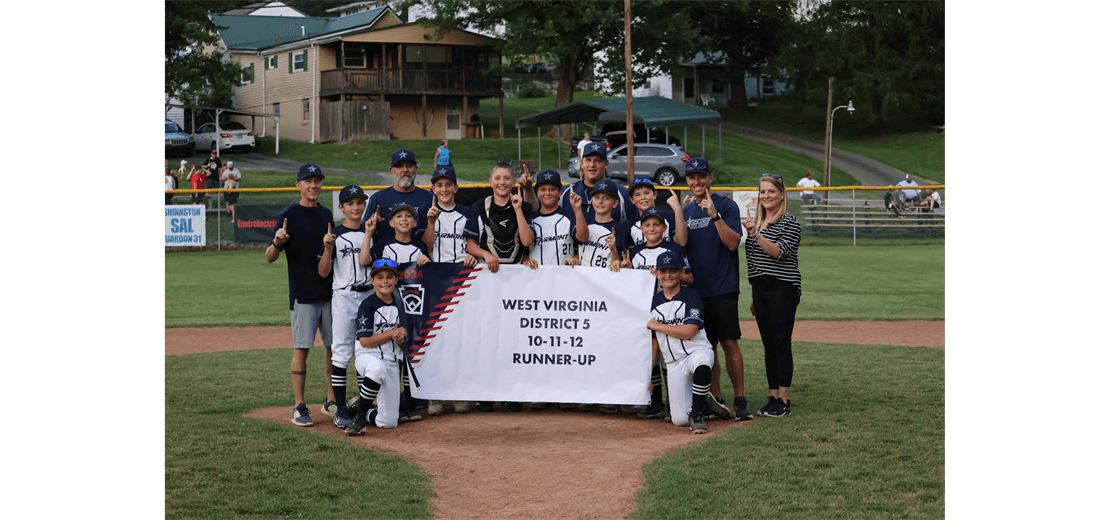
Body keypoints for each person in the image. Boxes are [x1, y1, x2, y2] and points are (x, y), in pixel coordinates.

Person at [681, 158, 752, 421]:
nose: (696, 182)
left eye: (701, 176)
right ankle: (716, 398)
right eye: (691, 177)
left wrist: (714, 215)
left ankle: (741, 399)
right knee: (706, 348)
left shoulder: (726, 205)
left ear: (710, 178)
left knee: (729, 342)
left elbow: (733, 243)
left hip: (722, 287)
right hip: (697, 290)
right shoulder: (687, 212)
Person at [265, 163, 336, 427]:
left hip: (329, 294)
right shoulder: (289, 216)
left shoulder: (326, 213)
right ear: (299, 185)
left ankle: (331, 400)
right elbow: (270, 258)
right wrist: (277, 242)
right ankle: (299, 405)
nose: (313, 185)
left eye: (317, 181)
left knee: (333, 349)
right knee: (302, 349)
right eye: (308, 181)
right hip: (302, 295)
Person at [465, 162, 535, 412]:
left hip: (515, 281)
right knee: (489, 336)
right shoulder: (479, 207)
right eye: (498, 178)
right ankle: (486, 391)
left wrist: (518, 210)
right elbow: (470, 244)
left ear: (513, 180)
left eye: (507, 178)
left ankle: (513, 391)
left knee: (514, 337)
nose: (502, 182)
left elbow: (527, 241)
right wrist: (485, 254)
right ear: (490, 180)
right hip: (488, 280)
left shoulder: (523, 206)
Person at [614, 207, 692, 420]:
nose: (652, 228)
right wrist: (628, 269)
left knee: (668, 355)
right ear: (641, 228)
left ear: (665, 227)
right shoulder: (635, 251)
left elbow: (689, 278)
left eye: (656, 224)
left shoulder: (674, 248)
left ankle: (672, 402)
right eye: (647, 225)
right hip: (644, 310)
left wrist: (664, 274)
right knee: (651, 355)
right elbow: (629, 285)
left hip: (669, 308)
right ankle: (656, 401)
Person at [741, 173, 802, 418]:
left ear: (781, 195)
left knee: (780, 343)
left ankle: (784, 401)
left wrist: (756, 234)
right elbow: (753, 262)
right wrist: (755, 296)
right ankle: (773, 396)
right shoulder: (757, 221)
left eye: (771, 192)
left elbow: (777, 253)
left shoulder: (790, 222)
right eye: (763, 191)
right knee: (768, 346)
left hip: (783, 287)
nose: (766, 196)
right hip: (761, 289)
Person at [421, 165, 479, 416]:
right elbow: (424, 247)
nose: (444, 189)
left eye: (448, 184)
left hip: (460, 278)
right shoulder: (426, 212)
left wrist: (471, 255)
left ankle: (459, 392)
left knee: (460, 340)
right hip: (433, 280)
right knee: (435, 340)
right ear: (433, 188)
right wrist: (431, 222)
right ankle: (434, 395)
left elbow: (474, 244)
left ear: (456, 187)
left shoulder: (468, 213)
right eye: (439, 185)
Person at [317, 185, 376, 430]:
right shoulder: (334, 235)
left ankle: (364, 406)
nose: (356, 207)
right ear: (341, 208)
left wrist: (371, 234)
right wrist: (328, 248)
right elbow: (323, 272)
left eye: (360, 202)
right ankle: (340, 408)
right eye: (350, 203)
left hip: (370, 295)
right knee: (341, 352)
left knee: (367, 351)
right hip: (344, 296)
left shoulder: (371, 231)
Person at [646, 250, 717, 433]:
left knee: (702, 364)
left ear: (681, 272)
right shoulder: (651, 302)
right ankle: (705, 402)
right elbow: (653, 342)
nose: (668, 275)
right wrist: (646, 375)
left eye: (673, 270)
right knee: (679, 420)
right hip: (674, 361)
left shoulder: (691, 296)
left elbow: (690, 331)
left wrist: (659, 326)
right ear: (657, 273)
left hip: (697, 350)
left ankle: (698, 414)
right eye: (664, 271)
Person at [346, 258, 413, 435]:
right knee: (377, 368)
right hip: (367, 356)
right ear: (372, 281)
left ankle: (359, 409)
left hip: (391, 360)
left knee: (388, 421)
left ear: (396, 279)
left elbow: (404, 333)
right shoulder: (367, 304)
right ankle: (359, 420)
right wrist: (392, 333)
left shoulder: (401, 304)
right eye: (380, 277)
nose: (385, 281)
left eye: (389, 277)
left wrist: (400, 337)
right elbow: (365, 341)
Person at [362, 148, 435, 243]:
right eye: (399, 166)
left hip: (420, 255)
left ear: (416, 168)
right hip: (385, 255)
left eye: (409, 166)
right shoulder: (378, 198)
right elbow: (363, 232)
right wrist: (373, 223)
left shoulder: (428, 197)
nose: (405, 170)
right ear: (391, 170)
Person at [521, 169, 588, 269]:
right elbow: (525, 252)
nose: (547, 193)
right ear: (537, 193)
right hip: (537, 276)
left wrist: (577, 209)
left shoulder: (569, 216)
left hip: (564, 276)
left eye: (552, 189)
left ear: (560, 192)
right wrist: (526, 260)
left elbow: (583, 238)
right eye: (543, 189)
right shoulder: (531, 219)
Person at [559, 141, 636, 223]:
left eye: (597, 161)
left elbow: (634, 229)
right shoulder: (565, 193)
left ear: (606, 164)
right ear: (582, 163)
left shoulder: (622, 194)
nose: (592, 165)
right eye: (588, 160)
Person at [614, 178, 687, 252]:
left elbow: (681, 243)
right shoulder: (628, 225)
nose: (643, 198)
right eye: (637, 195)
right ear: (632, 200)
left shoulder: (669, 217)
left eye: (646, 193)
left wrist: (677, 209)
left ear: (655, 195)